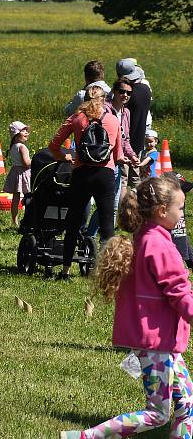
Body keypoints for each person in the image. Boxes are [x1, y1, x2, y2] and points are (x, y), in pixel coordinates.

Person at [61, 175, 193, 439]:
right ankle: (86, 437)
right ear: (161, 210)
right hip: (158, 343)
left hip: (159, 341)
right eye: (180, 208)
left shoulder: (145, 237)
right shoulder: (159, 246)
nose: (182, 214)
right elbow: (178, 291)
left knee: (186, 405)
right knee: (157, 413)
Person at [49, 85, 123, 280]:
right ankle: (108, 271)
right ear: (104, 99)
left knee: (73, 221)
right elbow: (118, 155)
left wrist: (67, 158)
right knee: (107, 223)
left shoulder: (77, 119)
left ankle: (65, 270)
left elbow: (53, 146)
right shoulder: (113, 120)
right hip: (105, 175)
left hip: (82, 173)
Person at [86, 77, 140, 238]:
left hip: (117, 163)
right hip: (101, 161)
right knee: (104, 205)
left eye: (128, 93)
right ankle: (89, 236)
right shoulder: (105, 110)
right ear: (114, 92)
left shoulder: (126, 112)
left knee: (112, 206)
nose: (125, 95)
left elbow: (125, 139)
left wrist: (132, 155)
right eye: (121, 91)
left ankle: (92, 236)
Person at [119, 58, 152, 190]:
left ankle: (121, 208)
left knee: (122, 179)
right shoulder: (145, 89)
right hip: (139, 139)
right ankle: (141, 205)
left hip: (125, 141)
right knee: (135, 177)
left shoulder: (128, 94)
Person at [3, 121, 31, 227]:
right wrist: (36, 161)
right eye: (23, 131)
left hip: (15, 172)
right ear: (16, 134)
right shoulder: (22, 147)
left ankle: (14, 220)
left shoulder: (13, 147)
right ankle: (28, 218)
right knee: (28, 196)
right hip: (24, 173)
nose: (26, 133)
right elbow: (26, 163)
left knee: (15, 198)